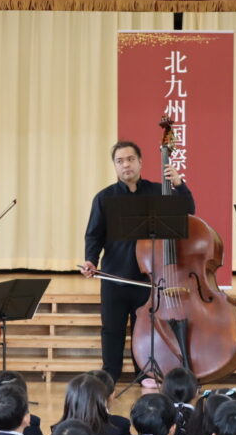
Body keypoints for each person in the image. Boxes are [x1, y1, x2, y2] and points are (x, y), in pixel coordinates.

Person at [80, 141, 193, 383]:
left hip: (148, 277)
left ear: (140, 162)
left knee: (144, 331)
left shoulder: (157, 192)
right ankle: (110, 374)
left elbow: (188, 213)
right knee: (112, 330)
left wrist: (179, 186)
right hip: (114, 275)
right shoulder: (104, 198)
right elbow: (94, 235)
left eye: (130, 159)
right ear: (115, 166)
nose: (125, 165)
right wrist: (90, 260)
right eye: (120, 161)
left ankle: (145, 372)